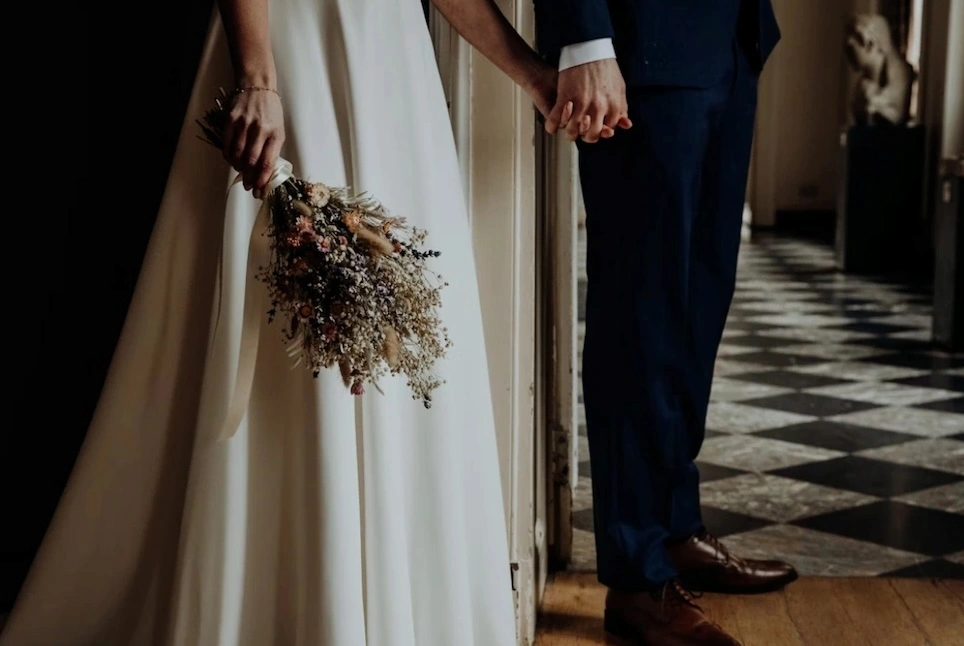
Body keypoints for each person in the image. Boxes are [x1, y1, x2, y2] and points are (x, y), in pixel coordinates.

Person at [0, 1, 558, 644]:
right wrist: (258, 77)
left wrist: (531, 74)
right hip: (292, 49)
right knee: (293, 341)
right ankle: (286, 610)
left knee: (397, 331)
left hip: (389, 61)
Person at [533, 0, 798, 644]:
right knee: (641, 317)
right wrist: (588, 36)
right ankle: (637, 578)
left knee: (698, 307)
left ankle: (675, 530)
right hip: (640, 45)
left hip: (730, 38)